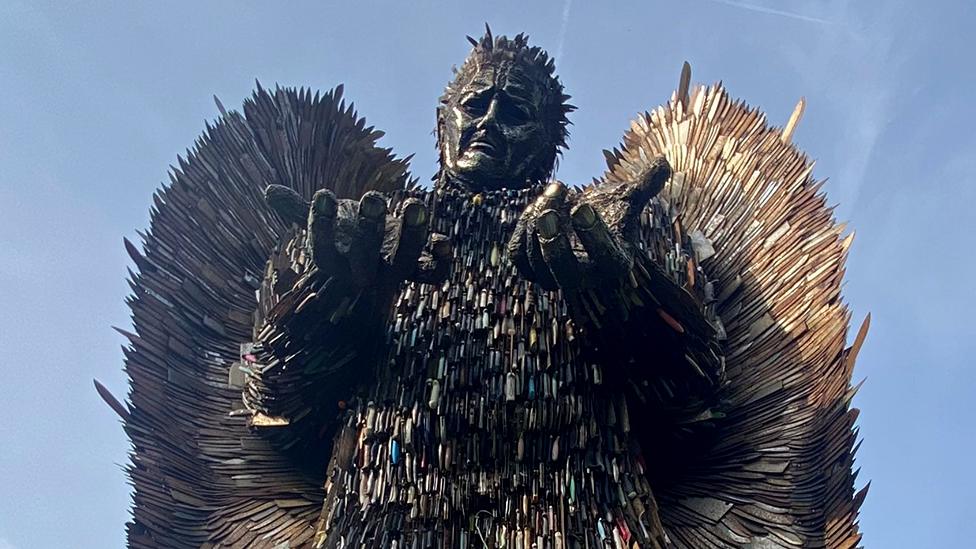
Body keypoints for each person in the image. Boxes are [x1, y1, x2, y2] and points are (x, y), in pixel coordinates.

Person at [115, 27, 865, 549]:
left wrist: (617, 288)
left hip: (589, 521)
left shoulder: (608, 224)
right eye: (475, 106)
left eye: (515, 112)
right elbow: (274, 402)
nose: (490, 122)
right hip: (382, 519)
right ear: (444, 120)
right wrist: (329, 302)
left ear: (546, 139)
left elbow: (699, 397)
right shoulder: (362, 234)